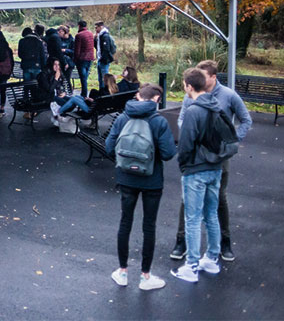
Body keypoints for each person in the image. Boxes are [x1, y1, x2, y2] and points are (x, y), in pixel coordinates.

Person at [171, 60, 252, 262]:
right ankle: (181, 241)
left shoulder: (228, 96)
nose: (199, 79)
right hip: (196, 156)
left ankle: (225, 242)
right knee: (187, 200)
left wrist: (230, 144)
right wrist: (190, 136)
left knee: (218, 200)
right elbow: (182, 119)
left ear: (213, 77)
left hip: (218, 157)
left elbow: (246, 120)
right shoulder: (190, 96)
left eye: (203, 75)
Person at [105, 84, 176, 291]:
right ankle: (145, 276)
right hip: (152, 180)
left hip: (127, 179)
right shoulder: (159, 122)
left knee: (125, 222)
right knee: (149, 226)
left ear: (137, 96)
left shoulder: (122, 118)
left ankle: (122, 272)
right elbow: (169, 153)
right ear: (155, 99)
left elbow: (109, 147)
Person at [171, 68, 225, 283]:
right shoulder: (216, 106)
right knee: (211, 214)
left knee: (192, 219)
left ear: (189, 86)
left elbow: (185, 144)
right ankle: (212, 258)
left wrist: (183, 165)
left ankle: (191, 266)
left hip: (195, 169)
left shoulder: (193, 110)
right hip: (215, 167)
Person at [42, 57, 91, 122]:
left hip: (57, 95)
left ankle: (61, 114)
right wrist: (56, 78)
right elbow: (49, 90)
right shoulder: (44, 75)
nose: (57, 66)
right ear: (51, 65)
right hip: (50, 97)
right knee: (71, 102)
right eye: (55, 65)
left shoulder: (58, 73)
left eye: (58, 65)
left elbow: (62, 86)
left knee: (75, 99)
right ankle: (58, 113)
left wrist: (63, 93)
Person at [74, 21, 95, 96]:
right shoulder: (90, 34)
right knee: (85, 77)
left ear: (79, 26)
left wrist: (75, 60)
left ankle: (84, 94)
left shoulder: (79, 35)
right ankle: (84, 93)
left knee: (83, 78)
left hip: (82, 59)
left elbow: (77, 49)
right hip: (90, 58)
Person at [94, 21, 116, 90]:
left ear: (101, 27)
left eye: (96, 27)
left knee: (104, 78)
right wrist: (95, 39)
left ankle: (106, 91)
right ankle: (101, 90)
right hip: (100, 59)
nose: (95, 29)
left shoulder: (105, 36)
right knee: (100, 78)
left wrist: (103, 59)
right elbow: (98, 48)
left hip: (104, 60)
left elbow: (106, 49)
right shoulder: (100, 35)